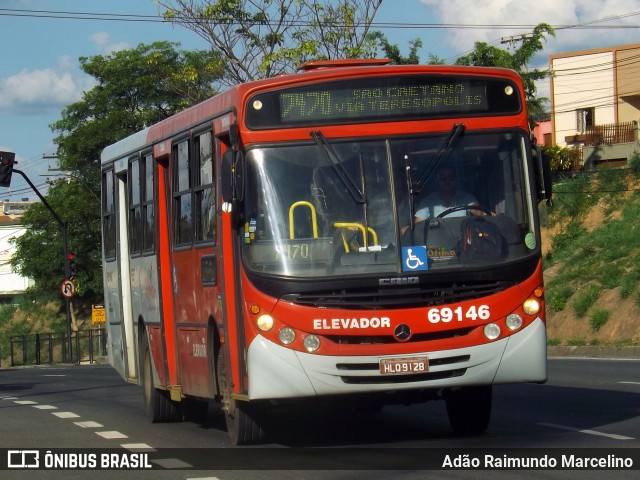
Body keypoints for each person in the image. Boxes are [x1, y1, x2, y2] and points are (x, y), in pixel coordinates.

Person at [414, 164, 479, 221]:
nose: (447, 181)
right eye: (443, 178)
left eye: (450, 178)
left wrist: (482, 214)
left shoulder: (466, 198)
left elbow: (477, 210)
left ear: (456, 180)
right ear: (436, 181)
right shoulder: (428, 202)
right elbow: (418, 226)